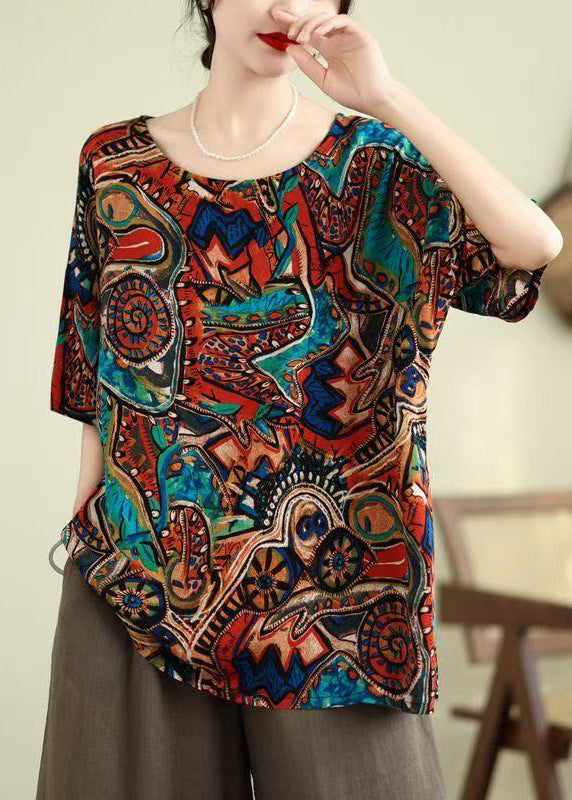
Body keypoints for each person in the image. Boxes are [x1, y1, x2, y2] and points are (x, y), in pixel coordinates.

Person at [37, 1, 562, 799]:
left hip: (340, 596)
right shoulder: (115, 164)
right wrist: (89, 538)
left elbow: (533, 246)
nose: (289, 6)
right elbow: (94, 368)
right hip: (141, 578)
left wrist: (384, 96)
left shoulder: (376, 163)